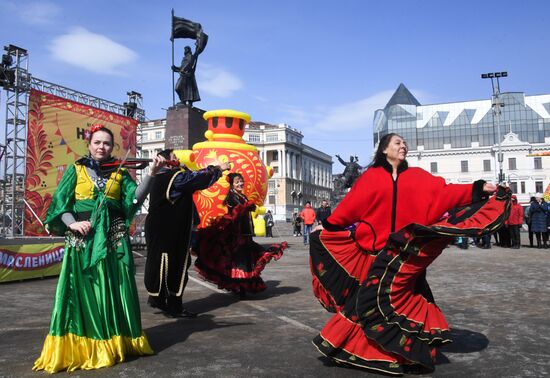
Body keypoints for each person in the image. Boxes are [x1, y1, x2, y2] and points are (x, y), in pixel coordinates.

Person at [309, 133, 509, 375]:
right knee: (369, 303)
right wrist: (328, 226)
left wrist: (478, 188)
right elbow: (351, 206)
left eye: (405, 144)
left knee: (404, 301)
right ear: (384, 149)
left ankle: (404, 354)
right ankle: (366, 352)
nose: (403, 146)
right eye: (397, 143)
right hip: (376, 255)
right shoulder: (370, 178)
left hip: (405, 255)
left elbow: (446, 192)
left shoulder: (418, 177)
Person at [33, 125, 165, 373]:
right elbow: (60, 206)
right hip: (84, 240)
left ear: (111, 146)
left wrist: (152, 173)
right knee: (86, 291)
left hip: (113, 239)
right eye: (97, 142)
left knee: (116, 289)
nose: (101, 147)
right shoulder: (76, 169)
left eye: (106, 143)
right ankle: (86, 346)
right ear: (89, 144)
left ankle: (117, 342)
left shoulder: (119, 172)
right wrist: (73, 224)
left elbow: (134, 199)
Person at [144, 149, 231, 318]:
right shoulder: (174, 178)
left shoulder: (161, 177)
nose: (178, 159)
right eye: (174, 157)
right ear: (167, 161)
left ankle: (159, 299)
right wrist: (219, 169)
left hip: (161, 229)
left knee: (165, 263)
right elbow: (197, 179)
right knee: (174, 265)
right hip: (169, 231)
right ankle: (172, 305)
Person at [194, 173, 287, 298]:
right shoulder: (231, 196)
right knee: (239, 261)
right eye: (237, 182)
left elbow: (246, 209)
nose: (240, 184)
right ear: (232, 184)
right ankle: (240, 287)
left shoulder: (242, 196)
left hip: (246, 233)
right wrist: (247, 207)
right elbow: (237, 210)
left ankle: (243, 286)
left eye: (241, 181)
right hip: (236, 235)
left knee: (248, 259)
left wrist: (251, 208)